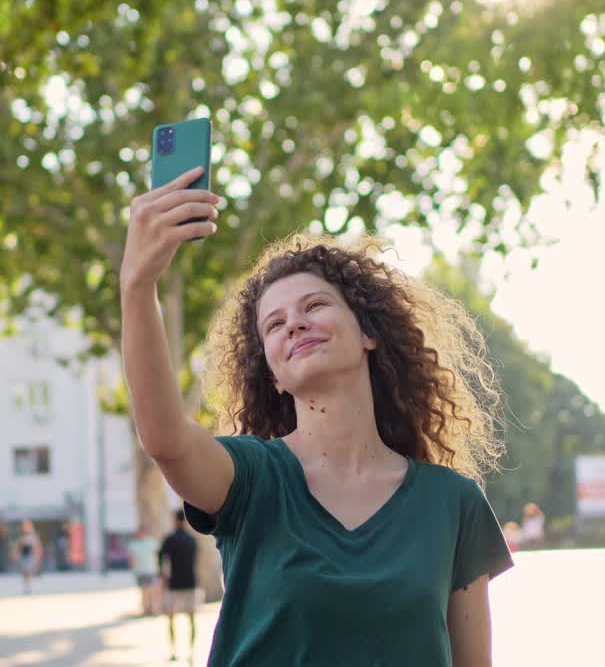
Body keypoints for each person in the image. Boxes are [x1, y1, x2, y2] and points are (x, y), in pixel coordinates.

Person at [119, 167, 514, 666]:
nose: (295, 323)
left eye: (315, 305)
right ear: (275, 374)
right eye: (275, 324)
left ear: (369, 332)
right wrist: (138, 284)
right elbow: (165, 440)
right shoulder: (250, 478)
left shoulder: (453, 503)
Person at [158, 510, 200, 661]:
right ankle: (191, 651)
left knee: (171, 619)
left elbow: (161, 560)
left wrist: (163, 578)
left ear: (175, 520)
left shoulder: (169, 539)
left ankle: (174, 651)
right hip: (190, 582)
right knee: (192, 619)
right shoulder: (192, 540)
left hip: (174, 583)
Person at [127, 525, 162, 616]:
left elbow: (158, 555)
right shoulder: (134, 544)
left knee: (151, 591)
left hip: (151, 570)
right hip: (141, 571)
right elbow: (132, 559)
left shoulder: (151, 542)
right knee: (144, 591)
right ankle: (147, 609)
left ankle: (152, 609)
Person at [12, 520, 42, 594]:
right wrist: (15, 554)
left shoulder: (33, 536)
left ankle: (29, 586)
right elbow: (17, 546)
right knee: (24, 572)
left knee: (28, 571)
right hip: (23, 556)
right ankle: (26, 587)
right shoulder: (21, 536)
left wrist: (37, 557)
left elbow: (37, 547)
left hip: (30, 556)